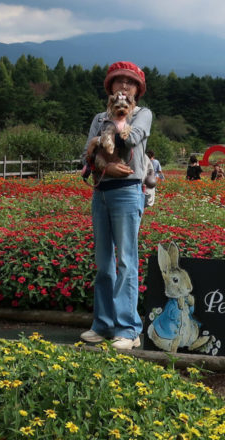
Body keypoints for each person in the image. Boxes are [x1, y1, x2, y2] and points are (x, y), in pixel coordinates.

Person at [79, 61, 151, 350]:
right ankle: (104, 324)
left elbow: (131, 137)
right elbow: (86, 155)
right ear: (110, 87)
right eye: (118, 81)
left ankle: (128, 328)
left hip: (128, 191)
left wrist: (102, 142)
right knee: (104, 263)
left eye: (129, 82)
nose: (123, 85)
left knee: (126, 261)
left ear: (137, 90)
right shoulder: (98, 118)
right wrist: (100, 157)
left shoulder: (142, 114)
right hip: (102, 192)